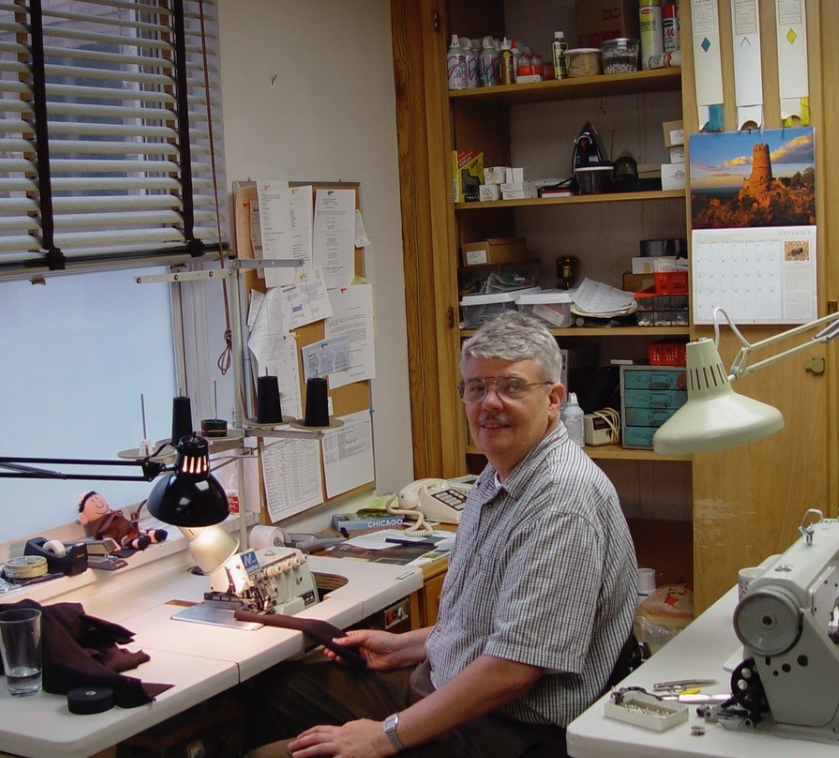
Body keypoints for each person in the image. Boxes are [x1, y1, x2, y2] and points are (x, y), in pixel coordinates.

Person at [244, 311, 638, 758]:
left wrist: (381, 737)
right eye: (476, 388)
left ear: (553, 399)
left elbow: (512, 668)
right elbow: (495, 623)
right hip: (447, 686)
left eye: (511, 386)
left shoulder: (561, 502)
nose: (489, 403)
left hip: (503, 726)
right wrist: (406, 645)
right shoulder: (499, 473)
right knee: (279, 692)